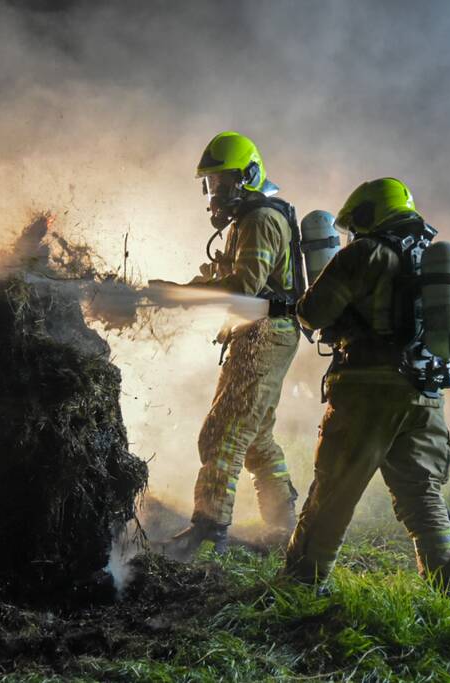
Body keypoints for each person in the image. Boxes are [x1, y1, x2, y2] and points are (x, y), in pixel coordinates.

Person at [283, 177, 450, 594]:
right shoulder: (430, 259)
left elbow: (314, 313)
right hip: (425, 394)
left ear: (368, 214)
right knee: (422, 495)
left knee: (334, 490)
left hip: (369, 391)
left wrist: (308, 298)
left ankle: (299, 585)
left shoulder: (365, 253)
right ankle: (445, 592)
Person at [167, 131, 302, 555]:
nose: (215, 194)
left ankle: (209, 529)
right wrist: (175, 291)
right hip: (261, 334)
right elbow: (232, 279)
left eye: (223, 183)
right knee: (256, 437)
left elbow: (245, 286)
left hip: (264, 336)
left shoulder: (260, 219)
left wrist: (184, 296)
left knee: (221, 434)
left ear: (249, 176)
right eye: (210, 185)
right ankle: (284, 524)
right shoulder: (248, 220)